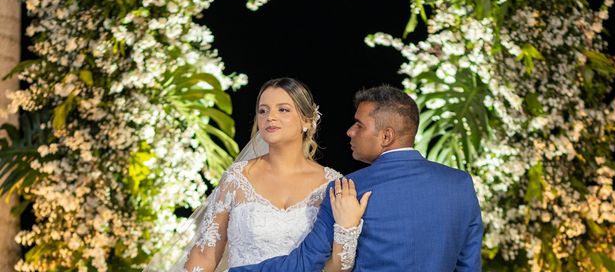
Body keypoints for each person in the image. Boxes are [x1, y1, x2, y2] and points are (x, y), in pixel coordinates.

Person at [228, 85, 483, 272]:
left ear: (386, 136)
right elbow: (469, 265)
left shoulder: (347, 188)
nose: (350, 131)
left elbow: (305, 262)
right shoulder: (460, 184)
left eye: (359, 125)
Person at [150, 77, 371, 272]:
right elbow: (205, 255)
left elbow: (336, 267)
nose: (270, 117)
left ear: (307, 120)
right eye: (263, 110)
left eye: (283, 109)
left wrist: (347, 229)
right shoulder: (237, 179)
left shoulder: (332, 184)